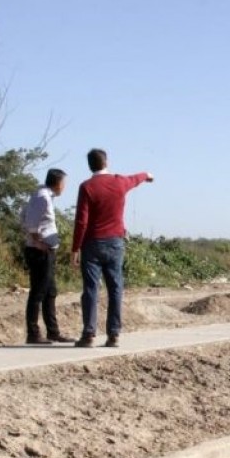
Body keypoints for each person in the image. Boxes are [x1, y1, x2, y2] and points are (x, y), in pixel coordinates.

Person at [71, 148, 154, 347]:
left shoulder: (86, 187)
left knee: (91, 288)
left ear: (90, 165)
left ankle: (89, 334)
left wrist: (75, 248)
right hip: (115, 242)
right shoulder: (120, 182)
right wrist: (148, 175)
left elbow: (81, 221)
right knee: (115, 287)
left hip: (92, 243)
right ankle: (114, 334)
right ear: (106, 161)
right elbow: (136, 178)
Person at [20, 168, 74, 345]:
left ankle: (53, 331)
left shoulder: (44, 195)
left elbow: (25, 216)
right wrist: (38, 242)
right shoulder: (42, 197)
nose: (64, 187)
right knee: (38, 291)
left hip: (46, 250)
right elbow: (30, 222)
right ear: (58, 183)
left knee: (50, 292)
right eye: (64, 183)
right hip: (39, 251)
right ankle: (33, 333)